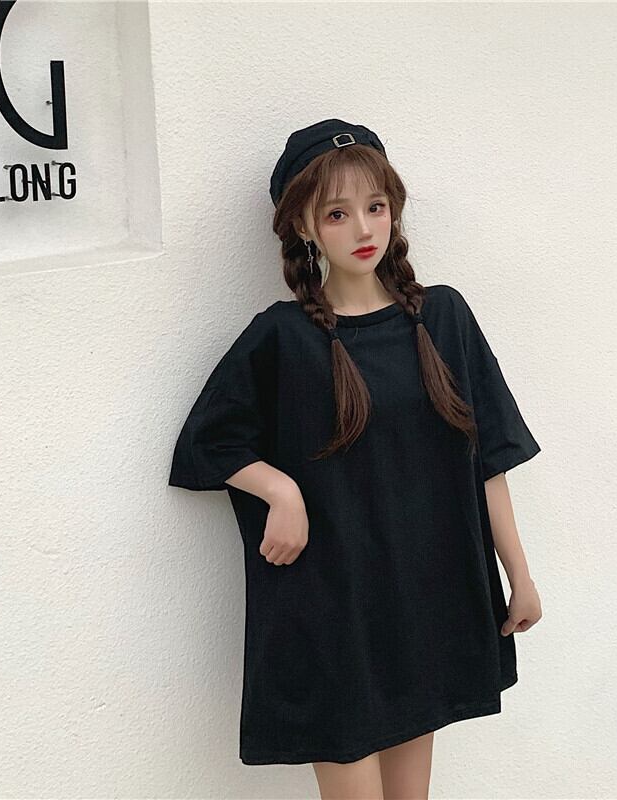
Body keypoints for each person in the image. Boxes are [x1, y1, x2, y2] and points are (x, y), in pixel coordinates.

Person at [168, 118, 543, 799]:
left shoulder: (444, 318)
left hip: (426, 602)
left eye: (376, 206)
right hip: (332, 613)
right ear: (304, 227)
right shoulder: (282, 337)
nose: (363, 228)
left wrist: (519, 575)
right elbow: (206, 443)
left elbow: (488, 458)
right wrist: (279, 490)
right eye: (337, 214)